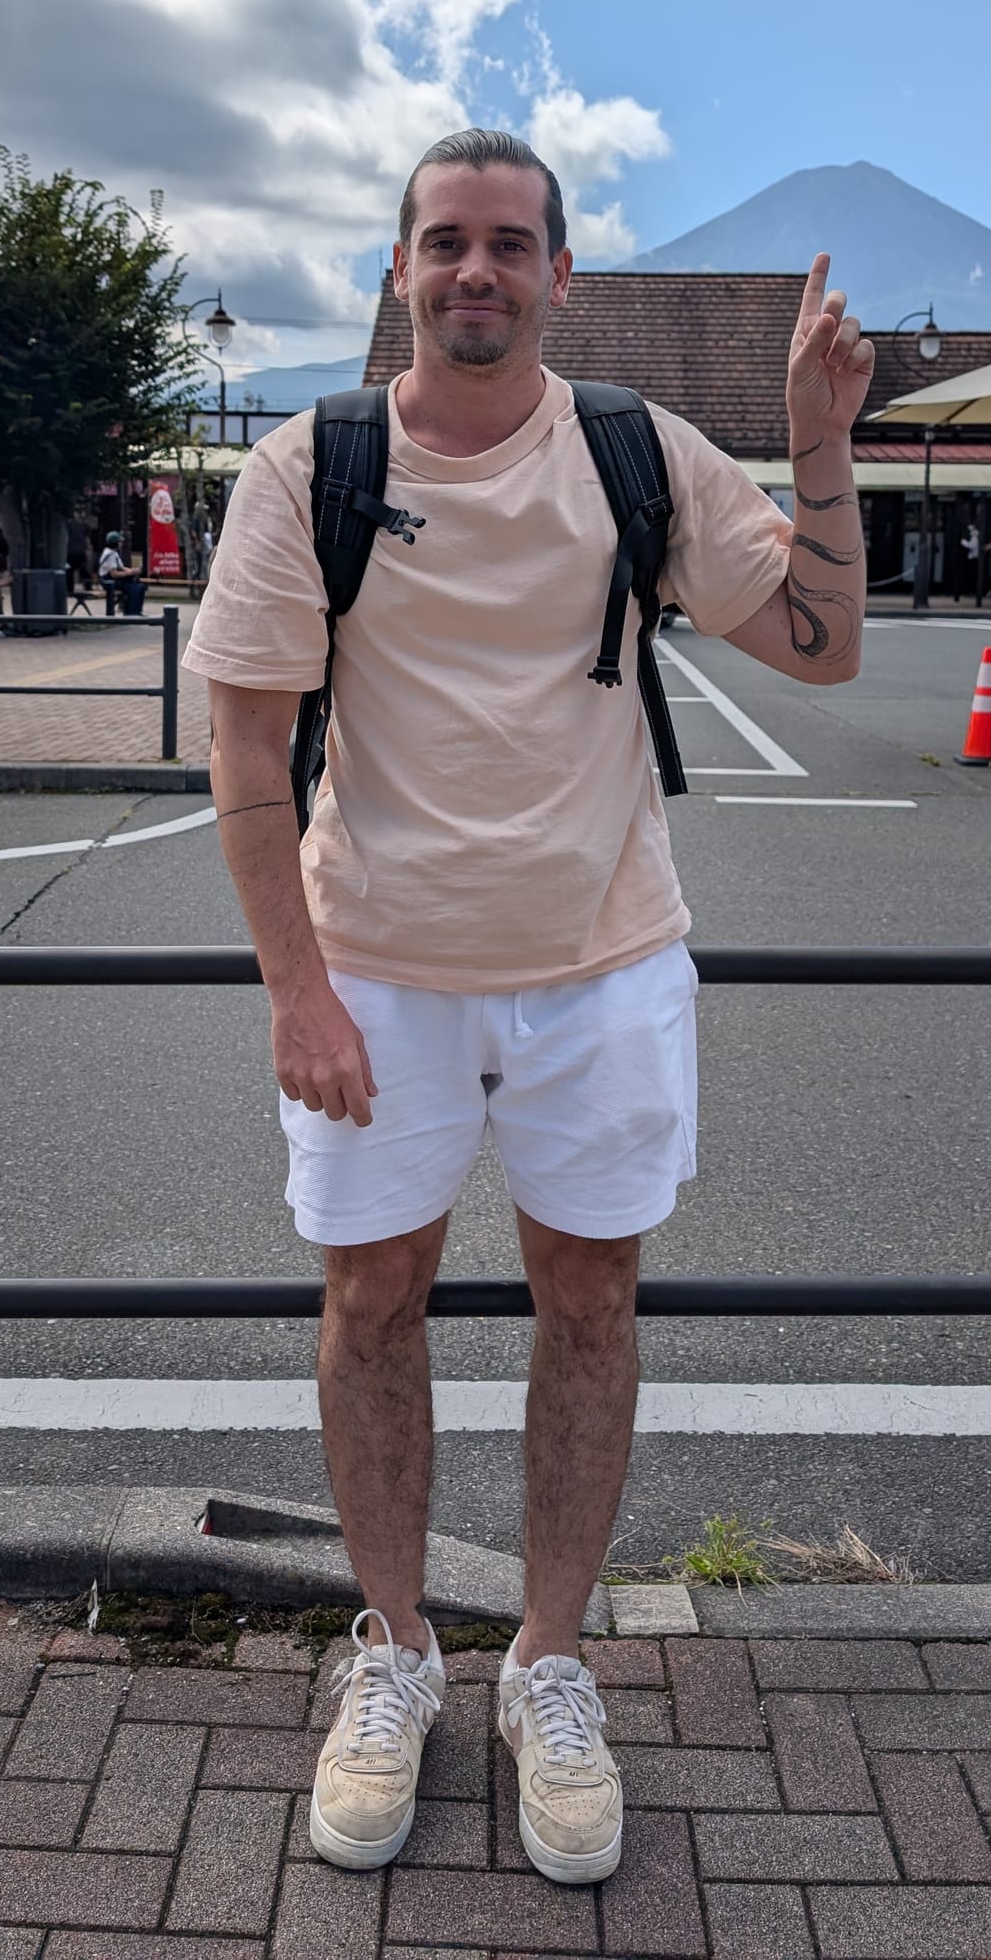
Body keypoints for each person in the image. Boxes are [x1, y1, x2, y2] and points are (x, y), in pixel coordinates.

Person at [186, 128, 870, 1887]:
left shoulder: (639, 454)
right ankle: (399, 1648)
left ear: (562, 274)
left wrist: (817, 442)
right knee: (371, 1302)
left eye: (509, 244)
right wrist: (297, 992)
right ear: (399, 270)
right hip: (380, 976)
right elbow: (248, 745)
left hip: (605, 963)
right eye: (444, 243)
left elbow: (819, 643)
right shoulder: (307, 466)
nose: (475, 272)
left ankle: (549, 1662)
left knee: (594, 1308)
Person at [97, 530, 147, 617]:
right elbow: (114, 574)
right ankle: (132, 612)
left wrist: (132, 571)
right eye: (119, 542)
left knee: (139, 585)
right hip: (109, 582)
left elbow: (121, 567)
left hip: (115, 581)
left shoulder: (113, 553)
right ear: (115, 543)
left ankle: (134, 611)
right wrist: (129, 573)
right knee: (136, 588)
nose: (121, 544)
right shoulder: (110, 555)